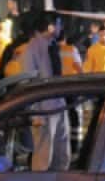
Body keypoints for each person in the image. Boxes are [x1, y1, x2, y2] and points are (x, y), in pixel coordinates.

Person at [19, 12, 69, 172]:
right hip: (44, 110)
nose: (61, 28)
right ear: (50, 27)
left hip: (59, 105)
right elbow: (28, 84)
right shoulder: (32, 49)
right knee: (44, 156)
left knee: (61, 154)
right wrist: (35, 114)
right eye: (59, 24)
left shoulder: (52, 45)